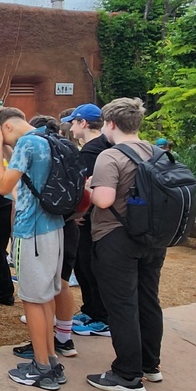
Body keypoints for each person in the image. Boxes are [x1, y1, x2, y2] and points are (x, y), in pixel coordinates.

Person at [85, 97, 165, 391]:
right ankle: (150, 364)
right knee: (148, 299)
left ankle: (127, 374)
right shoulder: (157, 153)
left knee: (122, 305)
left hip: (116, 237)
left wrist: (90, 187)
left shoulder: (111, 156)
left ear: (111, 123)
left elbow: (104, 200)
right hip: (153, 237)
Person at [0, 107, 66, 391]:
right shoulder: (48, 138)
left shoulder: (26, 144)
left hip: (31, 232)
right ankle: (51, 362)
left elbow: (2, 186)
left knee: (32, 299)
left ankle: (42, 368)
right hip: (54, 227)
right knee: (45, 297)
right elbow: (24, 178)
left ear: (5, 127)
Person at [64, 103, 112, 336]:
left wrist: (79, 212)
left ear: (83, 123)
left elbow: (83, 187)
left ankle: (101, 316)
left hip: (91, 220)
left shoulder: (91, 152)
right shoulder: (106, 146)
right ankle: (91, 309)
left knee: (90, 267)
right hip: (98, 218)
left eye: (74, 122)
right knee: (84, 267)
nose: (71, 128)